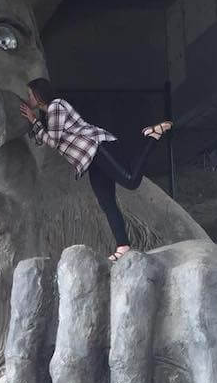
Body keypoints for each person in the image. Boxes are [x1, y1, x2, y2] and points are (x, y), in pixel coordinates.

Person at [20, 78, 172, 261]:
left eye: (30, 94)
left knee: (131, 181)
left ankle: (152, 136)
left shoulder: (55, 106)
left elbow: (52, 140)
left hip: (98, 147)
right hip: (90, 159)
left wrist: (33, 120)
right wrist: (34, 123)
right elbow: (43, 138)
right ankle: (123, 246)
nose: (28, 98)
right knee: (106, 202)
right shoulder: (49, 113)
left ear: (39, 94)